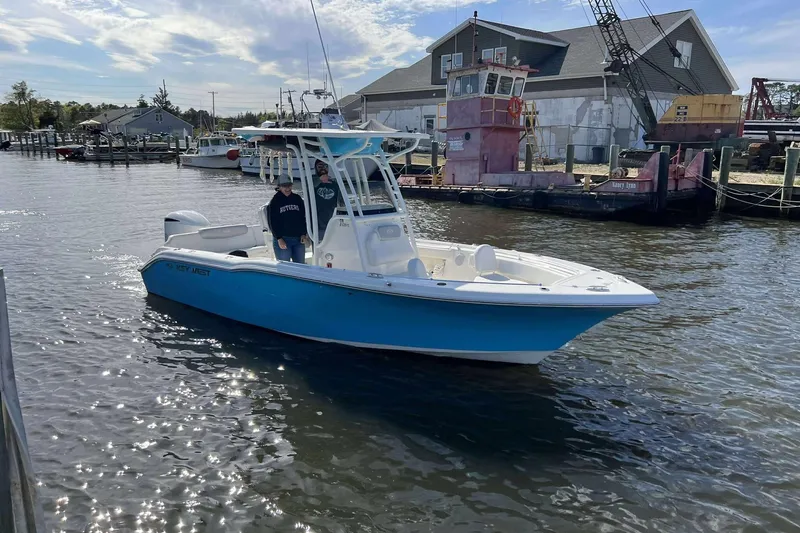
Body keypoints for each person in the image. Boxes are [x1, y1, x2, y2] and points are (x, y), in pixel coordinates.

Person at [267, 175, 309, 263]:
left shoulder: (297, 199)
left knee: (300, 265)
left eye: (289, 185)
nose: (287, 188)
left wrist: (303, 233)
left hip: (298, 239)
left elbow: (303, 217)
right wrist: (279, 238)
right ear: (279, 187)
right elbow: (272, 222)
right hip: (283, 239)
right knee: (285, 267)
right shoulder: (275, 201)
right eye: (284, 186)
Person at [313, 160, 340, 241]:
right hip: (317, 225)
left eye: (325, 166)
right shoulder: (311, 181)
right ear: (315, 168)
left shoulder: (334, 184)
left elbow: (341, 202)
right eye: (320, 166)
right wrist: (319, 180)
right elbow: (309, 186)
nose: (323, 169)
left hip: (333, 223)